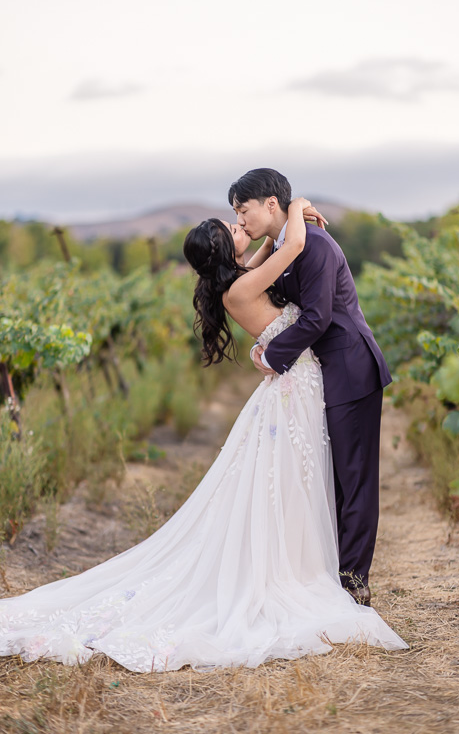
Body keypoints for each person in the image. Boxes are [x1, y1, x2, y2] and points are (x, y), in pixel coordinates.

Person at [0, 199, 407, 674]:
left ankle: (314, 567)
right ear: (223, 249)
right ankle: (307, 575)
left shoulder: (240, 278)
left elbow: (272, 250)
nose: (240, 226)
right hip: (295, 385)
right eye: (231, 227)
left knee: (300, 483)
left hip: (299, 382)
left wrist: (271, 238)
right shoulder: (243, 286)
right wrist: (296, 206)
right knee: (295, 482)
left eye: (238, 219)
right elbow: (293, 243)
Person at [229, 168, 393, 607]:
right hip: (323, 372)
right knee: (331, 477)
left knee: (354, 479)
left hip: (351, 368)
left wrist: (271, 356)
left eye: (243, 210)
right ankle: (331, 575)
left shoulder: (313, 243)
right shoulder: (287, 243)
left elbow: (318, 317)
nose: (240, 220)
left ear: (270, 204)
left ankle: (353, 582)